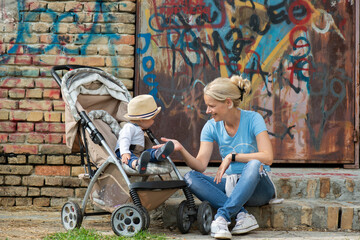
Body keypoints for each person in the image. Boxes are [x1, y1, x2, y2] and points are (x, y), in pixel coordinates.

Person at [155, 75, 276, 239]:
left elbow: (267, 157)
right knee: (191, 177)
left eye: (212, 106)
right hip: (232, 186)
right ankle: (242, 215)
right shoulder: (211, 126)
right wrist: (181, 149)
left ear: (228, 102)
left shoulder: (254, 119)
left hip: (259, 187)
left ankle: (222, 217)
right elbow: (200, 166)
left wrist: (232, 157)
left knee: (254, 163)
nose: (207, 111)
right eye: (207, 106)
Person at [115, 94, 174, 174]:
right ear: (142, 120)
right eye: (152, 119)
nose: (154, 121)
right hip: (128, 151)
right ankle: (137, 165)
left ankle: (158, 153)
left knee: (148, 152)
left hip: (139, 153)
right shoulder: (129, 127)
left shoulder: (140, 128)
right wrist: (125, 152)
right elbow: (124, 139)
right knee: (130, 158)